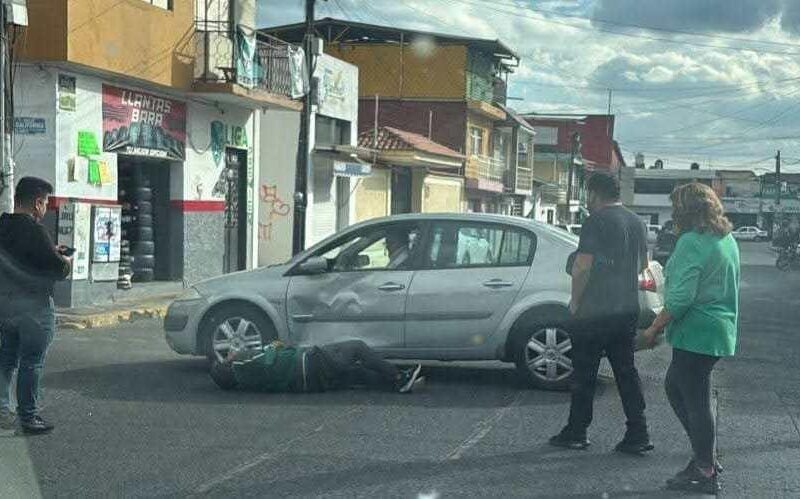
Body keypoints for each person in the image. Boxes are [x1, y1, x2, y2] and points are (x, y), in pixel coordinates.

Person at [641, 182, 739, 495]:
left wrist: (654, 328)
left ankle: (704, 468)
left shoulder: (691, 242)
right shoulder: (725, 238)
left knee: (694, 399)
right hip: (717, 329)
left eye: (675, 207)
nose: (672, 213)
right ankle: (704, 456)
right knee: (677, 387)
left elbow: (681, 297)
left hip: (698, 331)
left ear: (685, 211)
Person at [550, 172, 653, 454]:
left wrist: (575, 301)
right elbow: (644, 263)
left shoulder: (595, 221)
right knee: (626, 372)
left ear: (594, 192)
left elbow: (583, 266)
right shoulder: (636, 222)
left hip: (595, 311)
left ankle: (577, 430)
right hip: (627, 308)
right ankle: (638, 432)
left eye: (588, 193)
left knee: (584, 372)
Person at [0, 177, 72, 434]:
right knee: (32, 361)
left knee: (6, 360)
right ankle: (28, 417)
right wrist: (64, 258)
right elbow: (58, 269)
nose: (44, 208)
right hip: (35, 307)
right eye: (45, 203)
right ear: (38, 203)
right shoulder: (36, 231)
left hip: (6, 306)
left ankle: (1, 412)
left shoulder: (2, 224)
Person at [210, 339, 425, 394]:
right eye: (226, 358)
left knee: (356, 374)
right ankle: (398, 378)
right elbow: (267, 359)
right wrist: (273, 347)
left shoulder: (245, 383)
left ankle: (398, 386)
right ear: (228, 366)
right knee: (356, 348)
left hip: (307, 383)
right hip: (308, 363)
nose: (229, 355)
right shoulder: (241, 363)